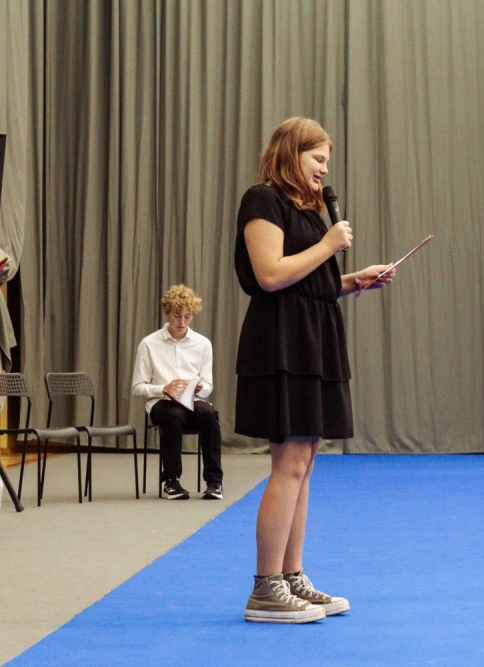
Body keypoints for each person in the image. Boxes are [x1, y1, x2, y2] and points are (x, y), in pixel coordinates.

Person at [235, 117, 395, 624]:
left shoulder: (309, 209)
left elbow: (307, 281)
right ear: (291, 153)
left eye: (327, 161)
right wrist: (328, 245)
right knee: (288, 463)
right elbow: (269, 275)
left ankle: (291, 575)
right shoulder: (263, 199)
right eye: (317, 158)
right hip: (281, 340)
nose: (325, 169)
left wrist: (351, 279)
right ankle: (265, 588)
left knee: (304, 462)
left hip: (314, 337)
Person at [131, 284, 222, 501]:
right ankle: (171, 481)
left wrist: (201, 387)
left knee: (209, 414)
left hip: (192, 400)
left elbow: (208, 385)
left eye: (187, 317)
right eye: (176, 316)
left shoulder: (202, 344)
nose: (182, 322)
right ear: (167, 313)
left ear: (193, 315)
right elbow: (137, 387)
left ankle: (214, 482)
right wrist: (163, 388)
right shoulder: (149, 344)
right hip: (161, 402)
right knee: (173, 414)